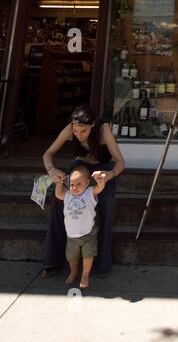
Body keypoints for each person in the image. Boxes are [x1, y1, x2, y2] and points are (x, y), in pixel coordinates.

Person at [40, 105, 124, 278]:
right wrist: (51, 170)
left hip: (104, 166)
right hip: (81, 165)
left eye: (83, 131)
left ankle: (103, 262)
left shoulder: (104, 130)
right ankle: (53, 259)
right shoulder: (70, 129)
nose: (79, 134)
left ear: (92, 125)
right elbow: (48, 153)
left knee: (107, 201)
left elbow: (120, 161)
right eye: (76, 131)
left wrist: (110, 174)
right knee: (59, 198)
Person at [57, 164, 107, 288]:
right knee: (72, 258)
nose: (75, 187)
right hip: (71, 235)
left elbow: (99, 188)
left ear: (87, 183)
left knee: (88, 256)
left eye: (79, 184)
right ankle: (73, 271)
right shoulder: (67, 195)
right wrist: (59, 182)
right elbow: (58, 194)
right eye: (72, 184)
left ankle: (85, 274)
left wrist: (100, 182)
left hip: (88, 234)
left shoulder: (89, 193)